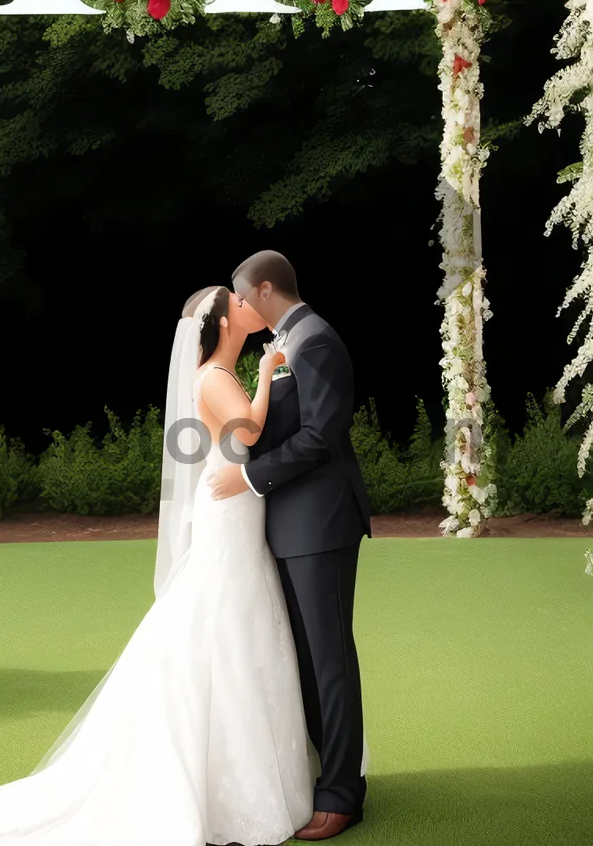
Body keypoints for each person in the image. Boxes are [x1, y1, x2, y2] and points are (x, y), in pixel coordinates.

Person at [0, 284, 316, 846]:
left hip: (234, 504)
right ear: (224, 323)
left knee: (239, 617)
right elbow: (245, 430)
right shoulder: (216, 378)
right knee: (224, 616)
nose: (249, 305)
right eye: (239, 303)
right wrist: (272, 369)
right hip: (228, 510)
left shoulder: (216, 375)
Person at [206, 250, 372, 842]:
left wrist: (249, 478)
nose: (241, 308)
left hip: (320, 524)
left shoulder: (315, 341)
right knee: (306, 658)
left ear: (266, 289)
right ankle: (329, 773)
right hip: (291, 524)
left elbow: (320, 437)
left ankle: (342, 795)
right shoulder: (285, 343)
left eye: (244, 298)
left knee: (329, 661)